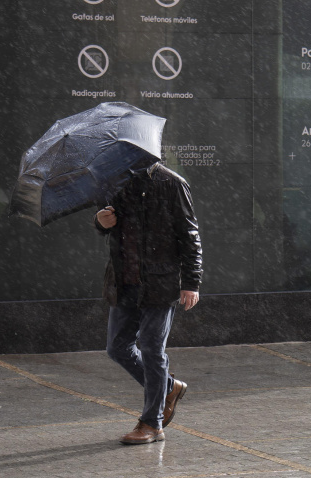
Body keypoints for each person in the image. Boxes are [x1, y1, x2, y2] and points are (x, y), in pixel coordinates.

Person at [94, 160, 203, 445]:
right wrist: (100, 222)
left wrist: (191, 283)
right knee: (117, 348)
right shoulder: (116, 180)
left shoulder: (172, 183)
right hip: (124, 280)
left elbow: (190, 236)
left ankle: (152, 423)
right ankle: (169, 387)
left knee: (153, 350)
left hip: (159, 282)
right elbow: (109, 222)